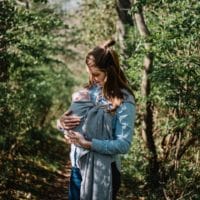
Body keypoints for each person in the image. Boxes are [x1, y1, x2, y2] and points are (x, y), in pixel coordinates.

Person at [57, 39, 136, 200]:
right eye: (90, 74)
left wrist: (88, 144)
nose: (93, 79)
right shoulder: (87, 92)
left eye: (97, 74)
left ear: (110, 71)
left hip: (105, 170)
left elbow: (123, 144)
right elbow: (67, 121)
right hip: (77, 167)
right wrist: (61, 123)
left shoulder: (124, 99)